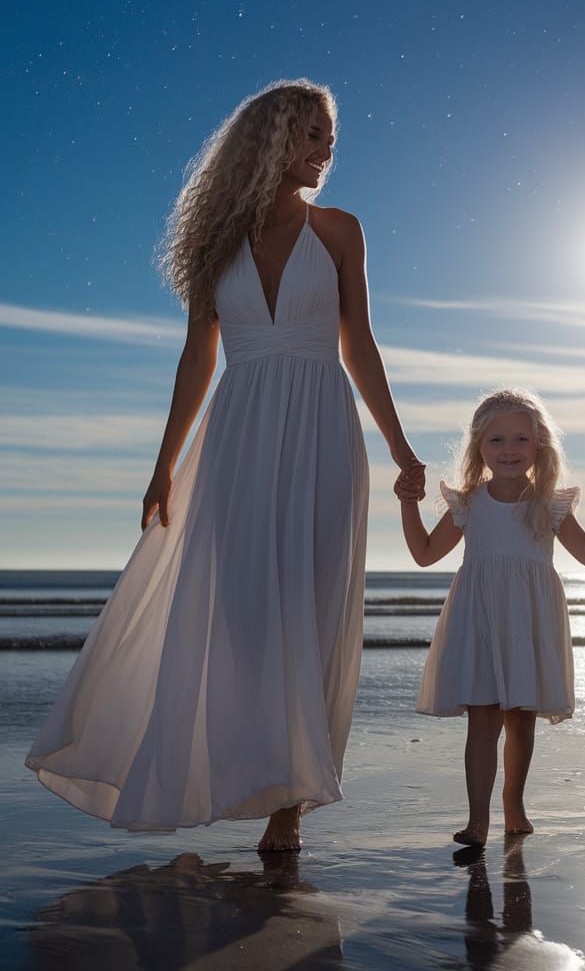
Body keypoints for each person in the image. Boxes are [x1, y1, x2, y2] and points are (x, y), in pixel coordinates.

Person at [26, 79, 425, 852]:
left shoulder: (341, 231)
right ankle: (245, 769)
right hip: (238, 432)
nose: (325, 149)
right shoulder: (215, 241)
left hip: (321, 429)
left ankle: (290, 805)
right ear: (269, 140)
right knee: (241, 614)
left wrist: (401, 447)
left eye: (328, 135)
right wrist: (162, 466)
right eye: (310, 134)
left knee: (309, 606)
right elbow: (195, 361)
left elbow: (360, 346)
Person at [397, 389, 585, 846]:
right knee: (482, 720)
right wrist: (406, 503)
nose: (509, 450)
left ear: (539, 446)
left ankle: (513, 804)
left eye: (521, 439)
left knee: (521, 719)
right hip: (480, 621)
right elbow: (423, 553)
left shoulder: (549, 504)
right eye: (496, 440)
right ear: (478, 447)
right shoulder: (468, 503)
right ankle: (477, 820)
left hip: (530, 624)